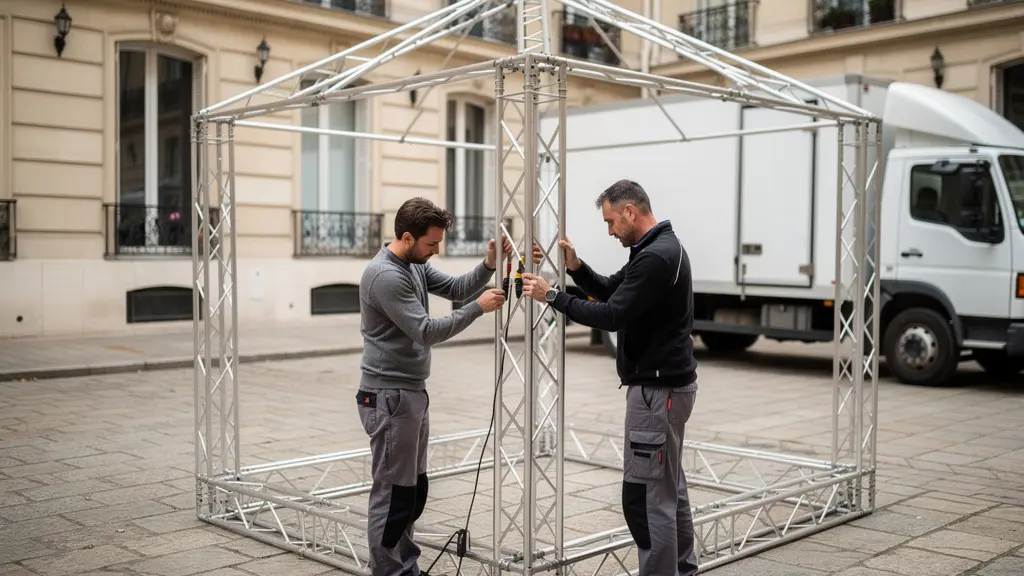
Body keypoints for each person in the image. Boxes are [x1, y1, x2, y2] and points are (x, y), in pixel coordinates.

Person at [521, 179, 699, 576]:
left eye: (611, 222)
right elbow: (610, 290)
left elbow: (611, 315)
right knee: (668, 489)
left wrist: (551, 296)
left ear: (630, 212)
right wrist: (576, 269)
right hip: (668, 387)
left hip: (656, 391)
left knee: (646, 498)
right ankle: (682, 569)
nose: (610, 230)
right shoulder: (657, 249)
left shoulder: (656, 257)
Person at [356, 197, 509, 576]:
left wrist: (488, 265)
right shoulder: (386, 276)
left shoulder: (414, 264)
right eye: (432, 244)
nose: (437, 250)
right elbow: (426, 331)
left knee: (411, 491)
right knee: (393, 495)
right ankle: (389, 571)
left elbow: (457, 288)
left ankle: (405, 566)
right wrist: (478, 308)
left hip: (408, 394)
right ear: (407, 237)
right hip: (389, 396)